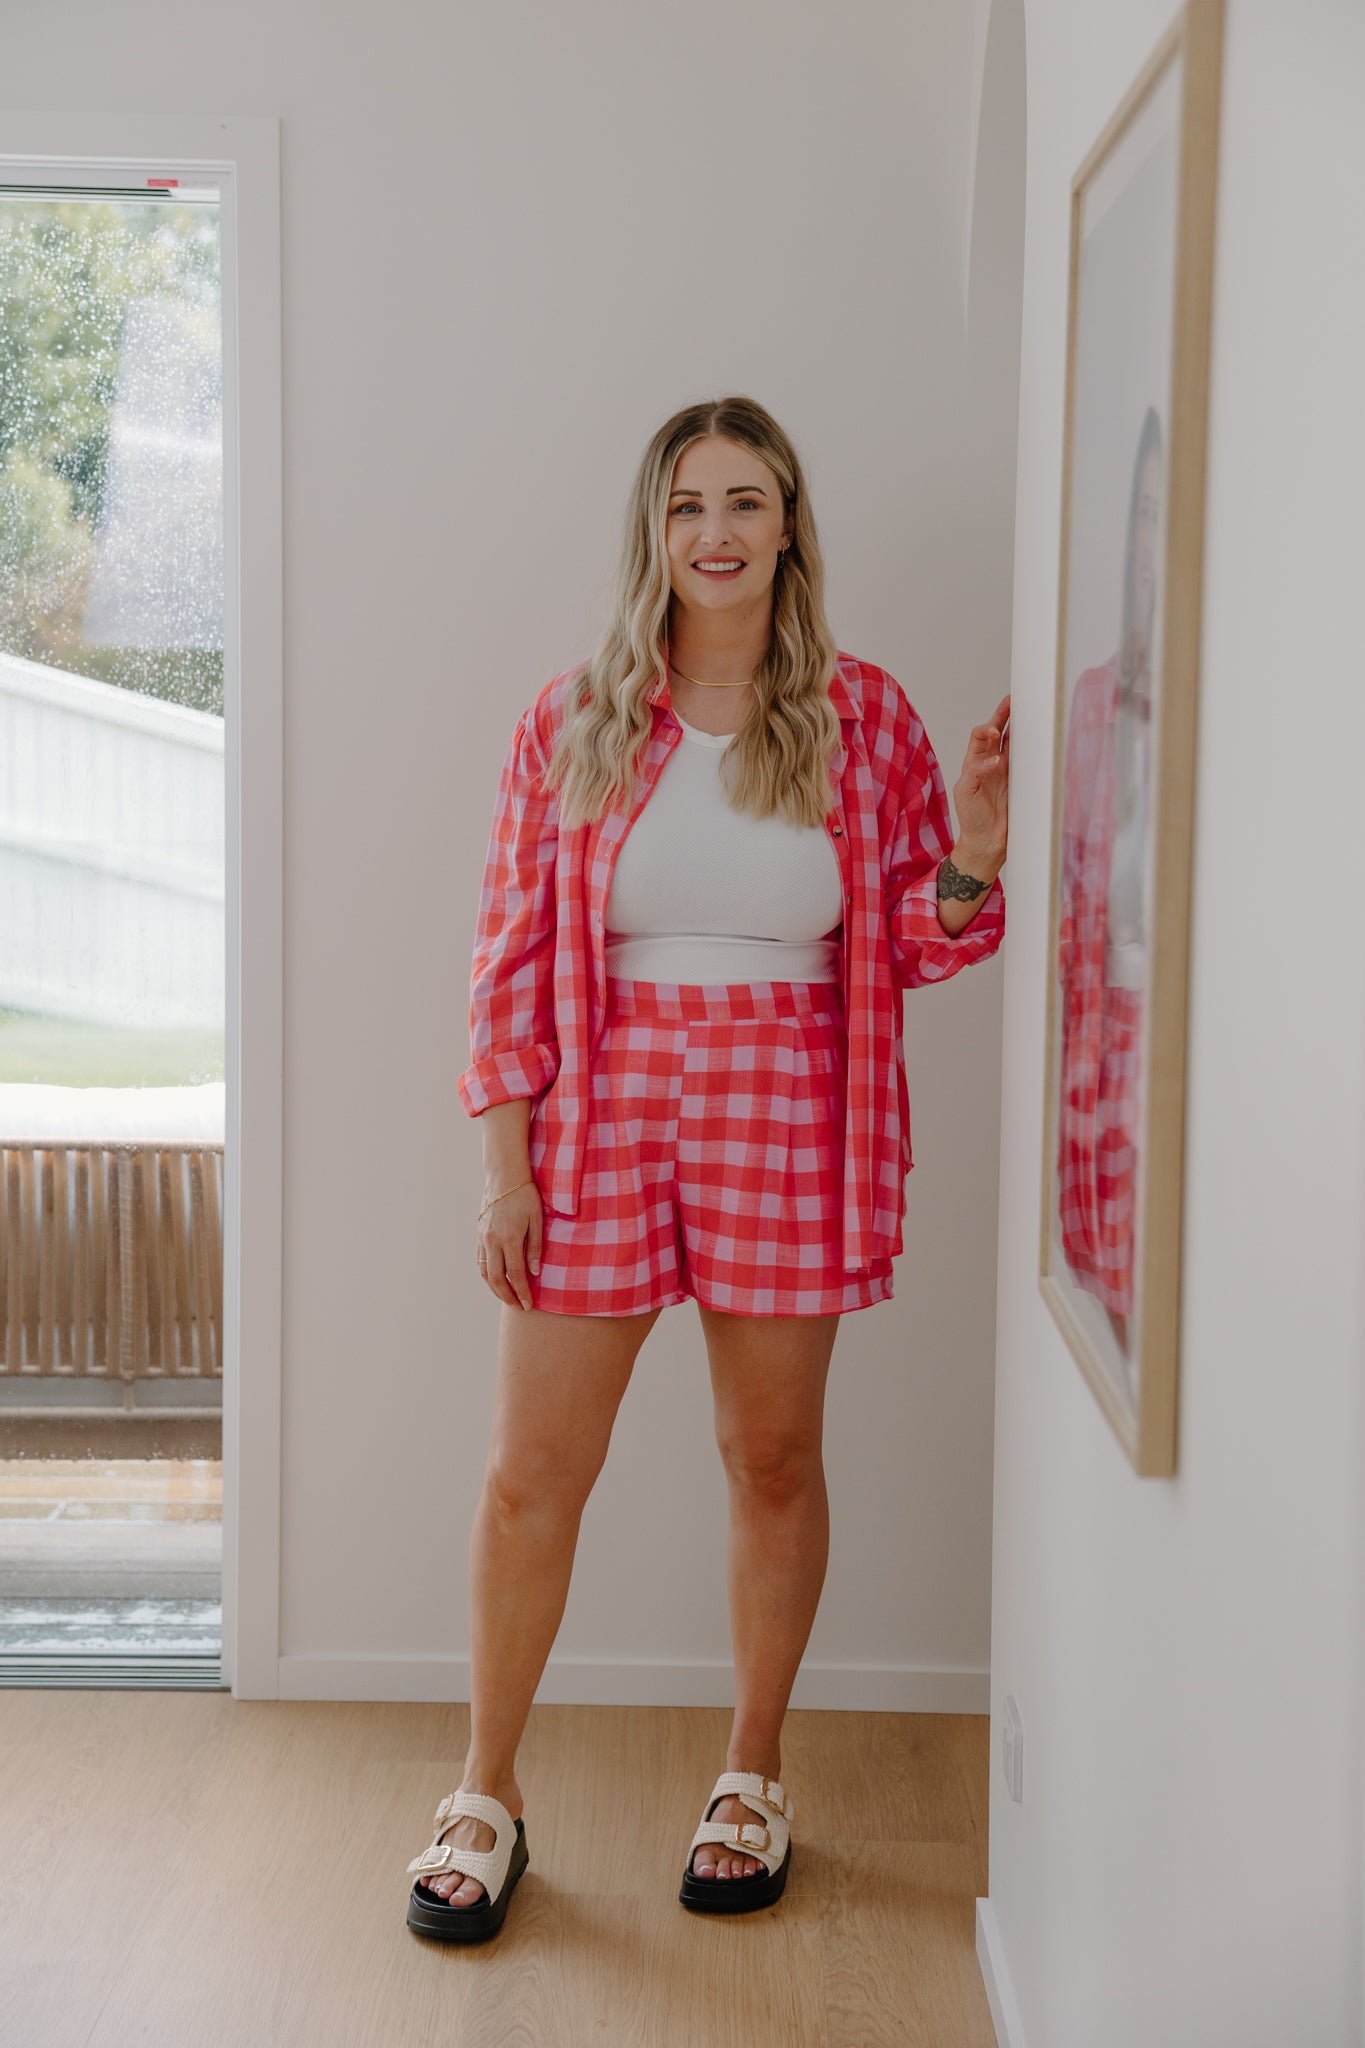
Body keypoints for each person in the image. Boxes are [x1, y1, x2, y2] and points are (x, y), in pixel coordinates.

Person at [404, 395, 1010, 1942]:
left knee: (772, 1460)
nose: (716, 532)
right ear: (654, 531)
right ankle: (486, 1790)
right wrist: (506, 1168)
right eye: (688, 506)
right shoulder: (576, 720)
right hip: (602, 1111)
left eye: (745, 502)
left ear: (789, 524)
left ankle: (750, 1774)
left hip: (789, 1107)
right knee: (530, 1473)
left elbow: (919, 941)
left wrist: (973, 856)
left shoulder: (864, 718)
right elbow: (506, 958)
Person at [1056, 406, 1163, 1380]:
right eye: (1147, 513)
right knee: (1129, 1359)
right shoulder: (1097, 698)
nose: (1159, 540)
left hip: (1211, 1047)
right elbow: (1076, 912)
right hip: (1111, 1047)